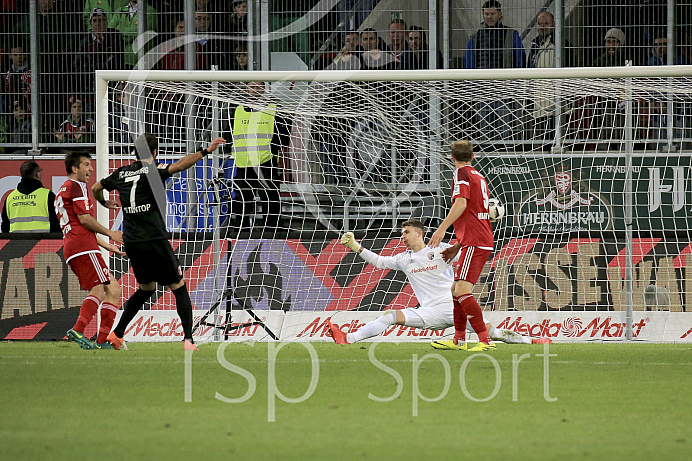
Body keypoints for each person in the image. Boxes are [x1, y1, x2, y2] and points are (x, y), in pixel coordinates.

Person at [93, 133, 226, 351]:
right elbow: (181, 165)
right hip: (154, 237)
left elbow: (96, 187)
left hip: (133, 241)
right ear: (155, 152)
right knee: (178, 285)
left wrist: (104, 202)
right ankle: (188, 340)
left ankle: (117, 334)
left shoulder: (121, 173)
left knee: (146, 288)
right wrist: (206, 151)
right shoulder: (153, 170)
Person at [328, 220, 549, 346]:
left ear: (418, 233)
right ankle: (347, 338)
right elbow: (378, 262)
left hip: (457, 308)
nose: (403, 236)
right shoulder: (404, 259)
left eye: (406, 232)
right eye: (401, 233)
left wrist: (483, 223)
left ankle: (533, 342)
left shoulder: (441, 249)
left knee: (494, 333)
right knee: (390, 316)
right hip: (430, 312)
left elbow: (467, 246)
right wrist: (355, 246)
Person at [428, 140, 495, 351]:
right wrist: (458, 244)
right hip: (475, 239)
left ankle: (485, 340)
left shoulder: (461, 174)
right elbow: (473, 213)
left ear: (452, 157)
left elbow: (462, 203)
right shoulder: (479, 176)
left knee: (462, 291)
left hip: (476, 241)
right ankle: (459, 339)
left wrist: (442, 229)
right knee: (455, 288)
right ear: (473, 156)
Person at [56, 151, 125, 350]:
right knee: (100, 288)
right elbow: (85, 220)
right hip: (82, 246)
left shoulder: (63, 189)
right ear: (74, 168)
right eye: (86, 164)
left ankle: (102, 341)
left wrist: (109, 246)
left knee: (112, 289)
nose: (91, 169)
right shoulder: (77, 186)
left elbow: (82, 225)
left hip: (76, 245)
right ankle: (79, 330)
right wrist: (111, 233)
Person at [220, 81, 292, 233]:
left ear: (265, 89)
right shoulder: (237, 109)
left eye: (259, 86)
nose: (255, 89)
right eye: (252, 86)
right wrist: (231, 147)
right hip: (243, 162)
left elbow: (285, 132)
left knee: (270, 196)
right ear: (246, 88)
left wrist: (273, 148)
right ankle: (242, 228)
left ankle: (272, 228)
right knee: (242, 199)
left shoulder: (274, 108)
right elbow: (229, 132)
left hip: (265, 160)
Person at [1, 160, 61, 233]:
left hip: (16, 243)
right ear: (37, 174)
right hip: (42, 243)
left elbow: (5, 227)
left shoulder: (10, 198)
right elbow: (56, 223)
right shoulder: (48, 195)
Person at [463, 0, 525, 69]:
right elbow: (468, 63)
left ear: (500, 14)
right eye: (486, 14)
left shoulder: (512, 35)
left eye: (493, 14)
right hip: (481, 78)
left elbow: (520, 60)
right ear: (483, 15)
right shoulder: (475, 37)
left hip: (505, 78)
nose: (489, 17)